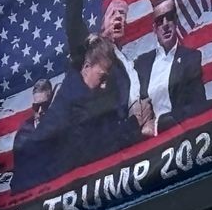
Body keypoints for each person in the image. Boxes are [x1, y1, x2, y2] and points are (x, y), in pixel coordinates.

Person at [63, 0, 151, 137]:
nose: (120, 17)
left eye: (123, 15)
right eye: (114, 14)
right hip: (102, 137)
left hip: (132, 136)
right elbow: (73, 22)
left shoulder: (128, 63)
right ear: (102, 23)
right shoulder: (91, 49)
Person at [38, 37, 138, 178]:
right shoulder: (74, 103)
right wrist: (132, 129)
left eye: (106, 80)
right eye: (101, 78)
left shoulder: (96, 99)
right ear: (86, 68)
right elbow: (95, 148)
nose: (104, 85)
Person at [133, 0, 207, 133]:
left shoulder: (190, 58)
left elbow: (197, 106)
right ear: (154, 28)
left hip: (180, 136)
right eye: (160, 21)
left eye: (170, 17)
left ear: (176, 21)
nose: (165, 24)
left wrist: (158, 125)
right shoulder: (141, 64)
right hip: (147, 143)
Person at [10, 80, 56, 193]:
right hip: (31, 192)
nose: (39, 111)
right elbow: (18, 175)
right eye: (36, 106)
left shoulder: (62, 126)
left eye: (44, 105)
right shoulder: (23, 134)